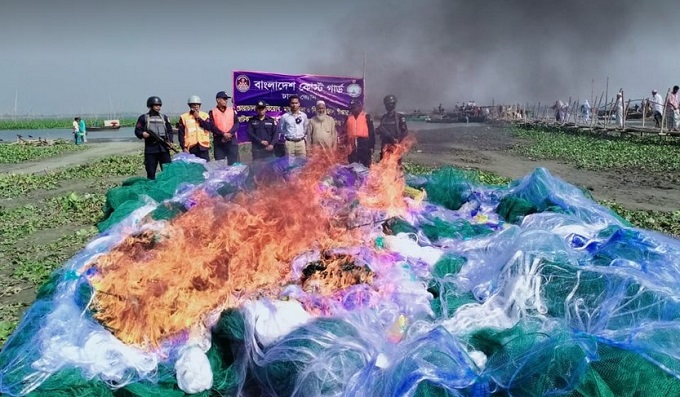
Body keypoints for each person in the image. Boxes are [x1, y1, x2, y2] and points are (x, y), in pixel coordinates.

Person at [134, 96, 174, 180]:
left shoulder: (164, 118)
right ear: (150, 106)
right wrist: (143, 134)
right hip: (151, 150)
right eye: (156, 105)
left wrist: (170, 141)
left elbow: (170, 131)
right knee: (151, 173)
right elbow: (137, 131)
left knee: (167, 172)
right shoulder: (143, 118)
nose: (158, 107)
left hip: (164, 148)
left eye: (159, 105)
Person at [209, 91, 240, 164]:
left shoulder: (232, 110)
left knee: (233, 163)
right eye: (224, 98)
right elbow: (212, 126)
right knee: (220, 164)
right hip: (219, 141)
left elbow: (236, 124)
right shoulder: (212, 112)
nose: (226, 100)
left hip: (231, 140)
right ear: (218, 100)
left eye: (227, 99)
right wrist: (223, 134)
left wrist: (229, 133)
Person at [178, 95, 212, 161]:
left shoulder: (205, 115)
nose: (196, 106)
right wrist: (183, 147)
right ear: (190, 105)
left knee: (205, 167)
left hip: (203, 146)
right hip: (191, 147)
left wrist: (198, 118)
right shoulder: (184, 117)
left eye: (198, 104)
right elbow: (181, 134)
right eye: (194, 104)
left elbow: (208, 127)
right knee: (193, 167)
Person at [344, 99, 375, 168]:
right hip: (352, 144)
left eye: (354, 107)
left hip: (364, 143)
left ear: (359, 107)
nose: (353, 109)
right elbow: (344, 132)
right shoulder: (348, 118)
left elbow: (371, 132)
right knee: (353, 164)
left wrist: (371, 146)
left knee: (365, 163)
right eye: (351, 107)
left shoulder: (366, 116)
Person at [376, 94, 407, 161]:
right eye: (388, 104)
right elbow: (380, 129)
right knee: (384, 164)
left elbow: (404, 132)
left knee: (395, 165)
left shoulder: (399, 117)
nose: (390, 106)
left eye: (391, 104)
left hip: (396, 146)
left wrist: (398, 141)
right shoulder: (384, 117)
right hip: (385, 146)